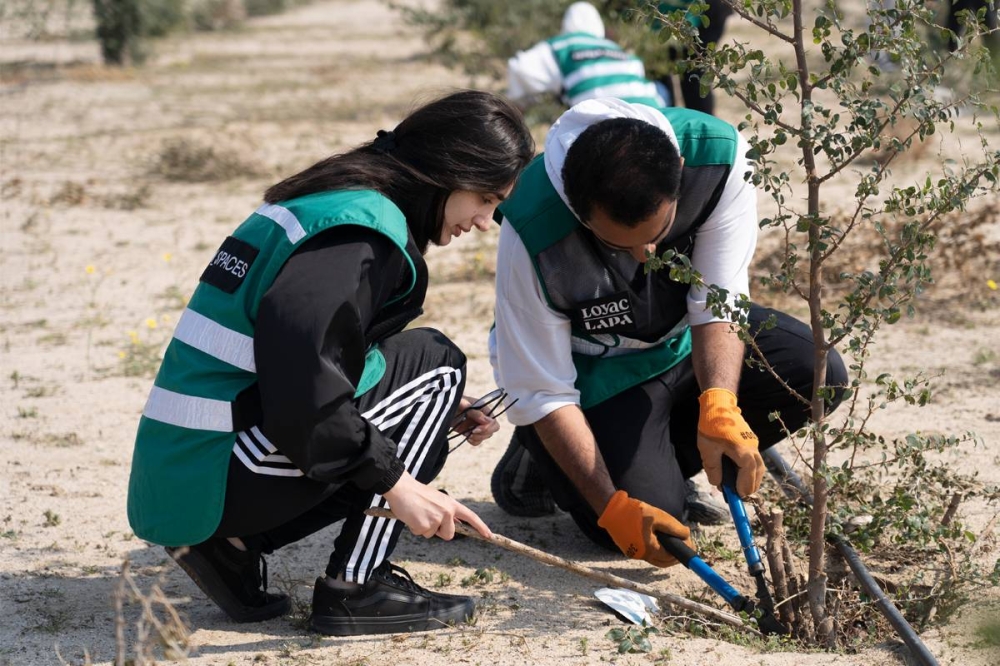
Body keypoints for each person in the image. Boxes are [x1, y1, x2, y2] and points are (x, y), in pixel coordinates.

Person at [126, 90, 534, 635]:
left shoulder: (336, 198)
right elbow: (301, 381)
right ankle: (357, 588)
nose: (485, 221)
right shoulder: (362, 231)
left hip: (187, 469)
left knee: (430, 386)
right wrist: (397, 483)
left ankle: (231, 548)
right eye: (485, 198)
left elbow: (304, 356)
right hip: (219, 473)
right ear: (448, 170)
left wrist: (428, 409)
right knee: (435, 361)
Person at [488, 97, 847, 568]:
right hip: (595, 372)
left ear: (678, 170)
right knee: (629, 532)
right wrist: (612, 506)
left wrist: (720, 405)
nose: (646, 256)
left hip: (682, 342)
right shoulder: (532, 226)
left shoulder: (718, 159)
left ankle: (661, 463)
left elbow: (719, 299)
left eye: (661, 231)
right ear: (576, 209)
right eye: (619, 243)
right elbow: (542, 388)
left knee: (817, 372)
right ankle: (546, 452)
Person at [506, 2, 672, 113]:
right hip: (652, 113)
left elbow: (519, 67)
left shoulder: (562, 45)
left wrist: (519, 102)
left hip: (602, 124)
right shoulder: (616, 48)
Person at [654, 0, 733, 116]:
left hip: (703, 13)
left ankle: (702, 130)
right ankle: (666, 125)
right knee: (659, 74)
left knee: (694, 76)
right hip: (662, 16)